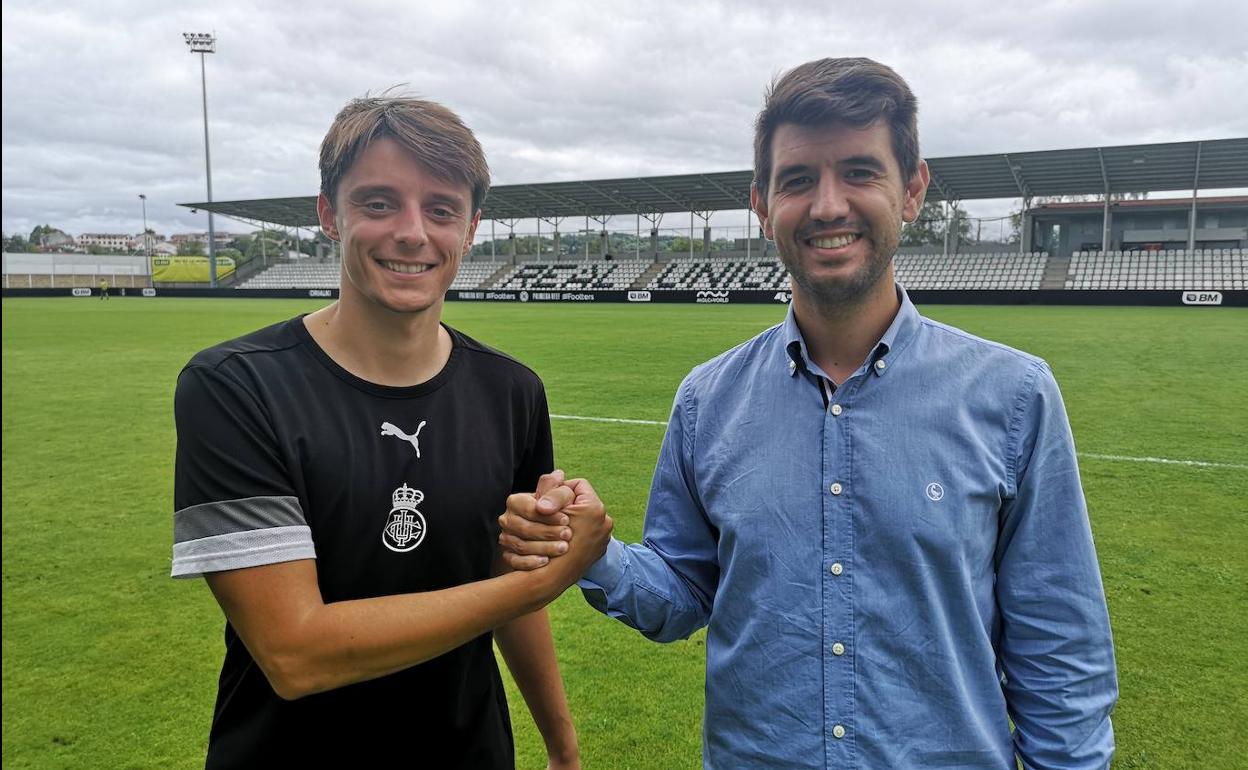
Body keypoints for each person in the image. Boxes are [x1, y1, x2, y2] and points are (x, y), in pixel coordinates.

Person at [500, 58, 1117, 769]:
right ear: (762, 204)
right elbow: (685, 591)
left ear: (912, 190)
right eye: (798, 180)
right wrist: (597, 555)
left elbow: (1062, 655)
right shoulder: (708, 400)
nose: (828, 206)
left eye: (860, 171)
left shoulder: (1014, 396)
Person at [171, 95, 611, 769]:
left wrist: (563, 748)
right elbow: (296, 653)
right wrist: (540, 583)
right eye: (379, 203)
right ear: (328, 214)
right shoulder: (236, 387)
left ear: (470, 229)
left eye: (441, 209)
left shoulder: (511, 391)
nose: (413, 232)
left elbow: (504, 578)